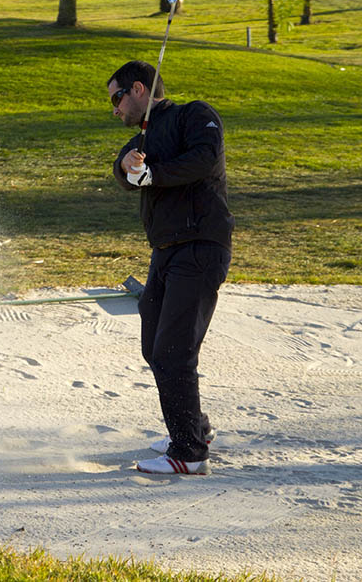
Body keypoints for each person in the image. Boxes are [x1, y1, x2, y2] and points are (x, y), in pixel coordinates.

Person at [106, 60, 234, 475]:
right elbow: (125, 170)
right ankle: (193, 427)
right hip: (165, 251)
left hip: (200, 245)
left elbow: (203, 159)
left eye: (116, 98)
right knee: (155, 346)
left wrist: (153, 173)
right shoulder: (142, 137)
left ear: (138, 89)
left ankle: (189, 454)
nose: (114, 110)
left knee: (174, 349)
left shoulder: (193, 115)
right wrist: (128, 169)